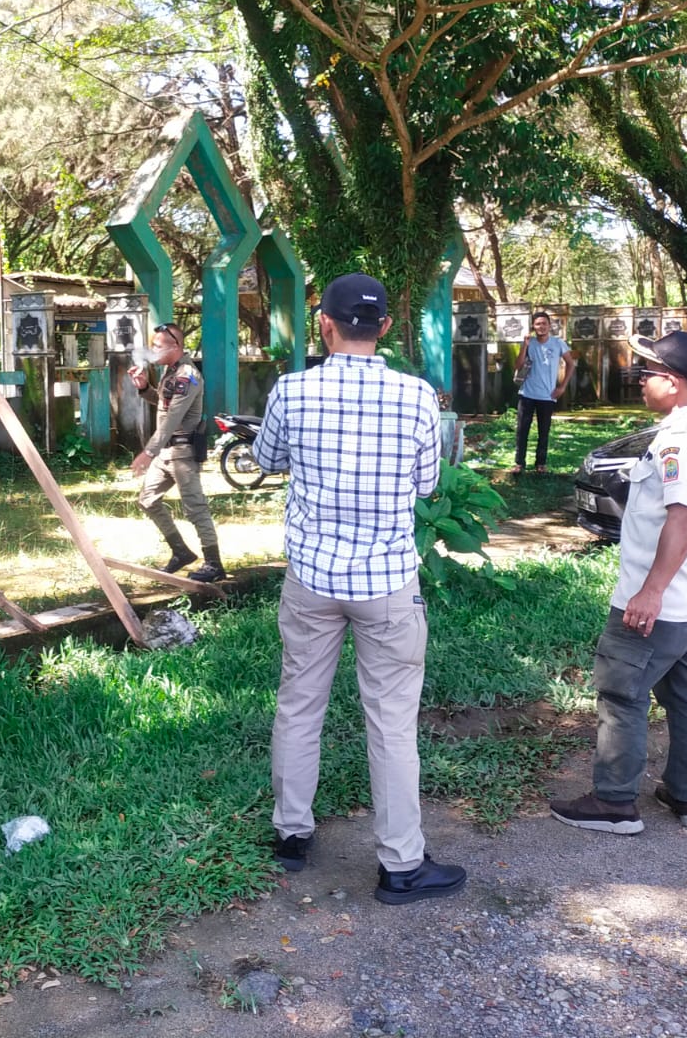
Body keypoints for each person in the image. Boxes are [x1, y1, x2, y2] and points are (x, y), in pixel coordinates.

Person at [252, 273, 467, 904]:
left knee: (298, 705)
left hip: (312, 578)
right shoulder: (416, 395)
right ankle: (401, 865)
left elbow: (266, 460)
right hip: (387, 581)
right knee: (393, 725)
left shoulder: (291, 390)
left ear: (324, 324)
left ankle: (291, 835)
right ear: (385, 328)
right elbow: (428, 483)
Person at [551, 331, 687, 834]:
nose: (638, 381)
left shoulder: (684, 439)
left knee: (621, 694)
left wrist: (651, 591)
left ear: (673, 383)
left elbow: (684, 518)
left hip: (664, 601)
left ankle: (614, 803)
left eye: (646, 373)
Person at [128, 322, 225, 583]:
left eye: (157, 346)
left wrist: (148, 452)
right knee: (147, 500)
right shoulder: (170, 372)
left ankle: (214, 563)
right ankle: (181, 552)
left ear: (176, 346)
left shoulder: (187, 375)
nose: (153, 351)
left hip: (182, 452)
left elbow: (173, 417)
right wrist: (144, 388)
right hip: (166, 453)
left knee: (195, 508)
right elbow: (164, 402)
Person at [512, 311, 576, 473]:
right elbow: (518, 366)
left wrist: (562, 387)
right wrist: (525, 346)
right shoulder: (529, 343)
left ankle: (540, 464)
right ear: (533, 326)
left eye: (544, 323)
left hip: (548, 395)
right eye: (538, 324)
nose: (541, 327)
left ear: (549, 325)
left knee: (544, 431)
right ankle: (519, 463)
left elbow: (570, 364)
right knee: (522, 430)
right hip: (527, 393)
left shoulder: (558, 343)